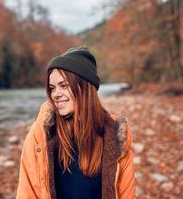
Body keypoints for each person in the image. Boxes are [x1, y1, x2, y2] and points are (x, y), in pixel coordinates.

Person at [16, 46, 136, 199]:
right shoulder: (41, 135)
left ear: (85, 87)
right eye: (52, 88)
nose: (56, 94)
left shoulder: (116, 136)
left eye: (64, 86)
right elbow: (27, 193)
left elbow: (127, 194)